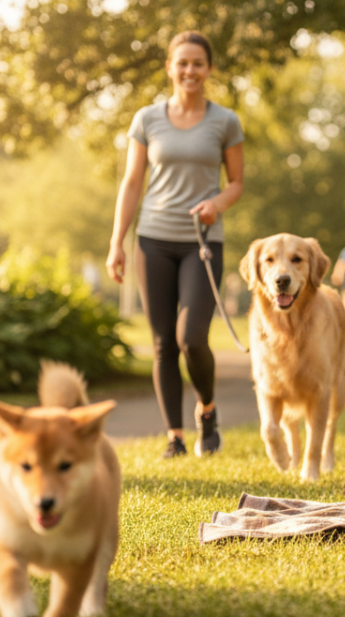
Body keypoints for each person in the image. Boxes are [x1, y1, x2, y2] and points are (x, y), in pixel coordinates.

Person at [105, 31, 244, 459]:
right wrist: (117, 243)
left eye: (197, 63)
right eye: (181, 63)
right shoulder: (147, 119)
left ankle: (208, 409)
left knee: (192, 338)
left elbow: (237, 182)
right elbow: (132, 183)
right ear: (170, 67)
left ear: (209, 69)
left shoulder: (225, 121)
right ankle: (175, 437)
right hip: (153, 240)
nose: (189, 71)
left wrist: (215, 204)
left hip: (201, 242)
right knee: (164, 342)